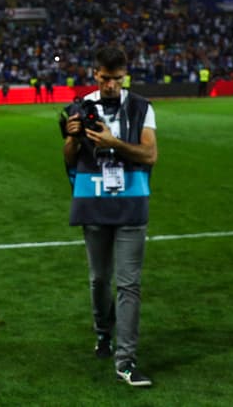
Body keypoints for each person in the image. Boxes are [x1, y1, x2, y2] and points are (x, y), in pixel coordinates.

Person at [60, 45, 159, 388]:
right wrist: (72, 137)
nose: (111, 85)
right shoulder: (80, 105)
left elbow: (150, 154)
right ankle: (104, 333)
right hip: (93, 202)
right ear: (96, 74)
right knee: (99, 280)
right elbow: (70, 158)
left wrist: (113, 142)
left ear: (125, 75)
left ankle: (126, 361)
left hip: (132, 203)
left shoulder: (142, 107)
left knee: (129, 283)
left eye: (117, 79)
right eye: (105, 78)